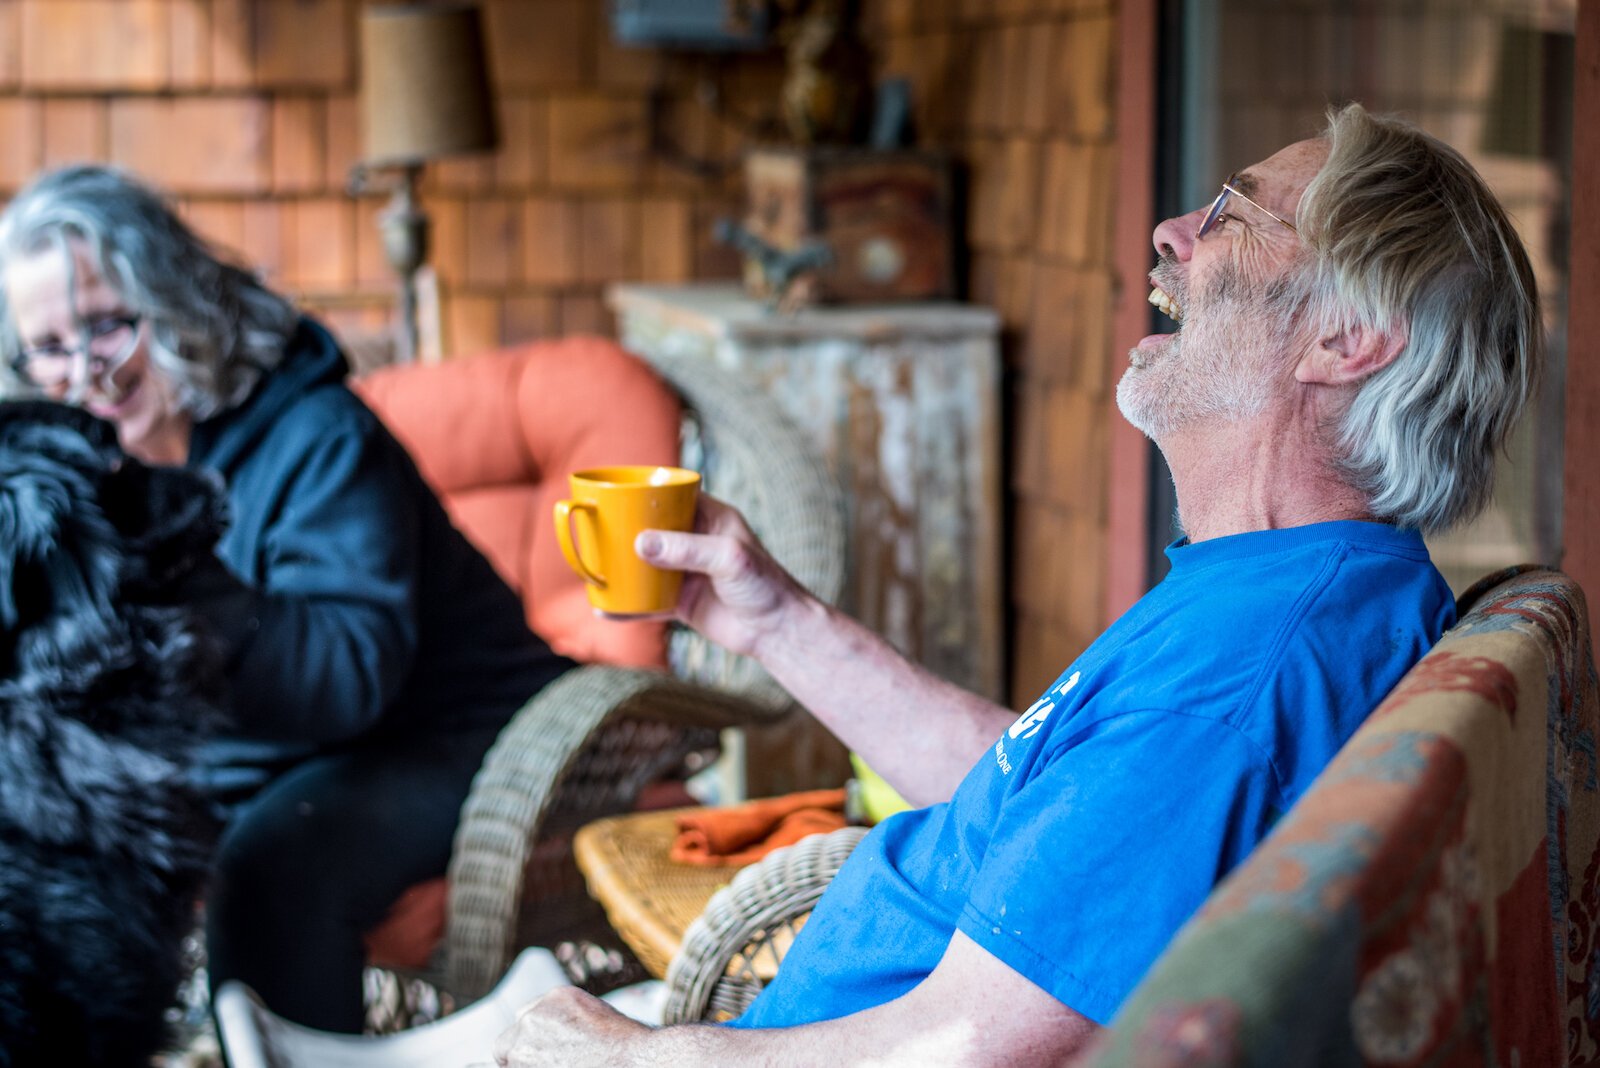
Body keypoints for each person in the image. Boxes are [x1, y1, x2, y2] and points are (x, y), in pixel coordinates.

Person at [492, 103, 1542, 1066]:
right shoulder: (1305, 591)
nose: (1173, 231)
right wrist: (770, 617)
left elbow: (958, 1048)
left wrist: (626, 1055)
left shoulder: (1237, 682)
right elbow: (1052, 800)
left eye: (1232, 212)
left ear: (1345, 339)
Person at [0, 166, 575, 1034]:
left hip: (462, 728)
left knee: (269, 865)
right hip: (287, 750)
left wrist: (161, 556)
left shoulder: (320, 433)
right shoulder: (100, 467)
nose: (83, 372)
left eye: (108, 326)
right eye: (47, 346)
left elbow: (347, 677)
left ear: (173, 301)